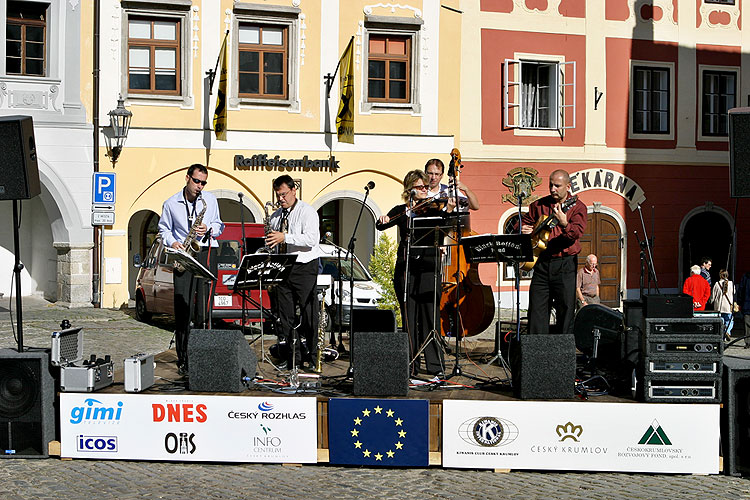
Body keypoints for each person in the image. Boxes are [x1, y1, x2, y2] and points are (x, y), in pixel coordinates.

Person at [376, 170, 455, 377]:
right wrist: (383, 218)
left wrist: (448, 211)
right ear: (409, 190)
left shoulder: (431, 209)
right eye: (420, 187)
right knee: (409, 318)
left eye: (426, 187)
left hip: (429, 266)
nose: (425, 190)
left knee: (430, 316)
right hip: (407, 267)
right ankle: (411, 365)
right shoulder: (403, 210)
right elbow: (381, 225)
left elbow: (446, 226)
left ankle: (435, 367)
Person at [158, 164, 224, 375]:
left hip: (205, 251)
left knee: (203, 308)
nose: (200, 186)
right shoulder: (171, 203)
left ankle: (203, 354)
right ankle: (183, 358)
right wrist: (174, 242)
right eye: (197, 181)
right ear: (187, 178)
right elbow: (163, 229)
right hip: (184, 253)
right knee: (183, 307)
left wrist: (210, 228)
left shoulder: (210, 200)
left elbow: (219, 225)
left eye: (203, 182)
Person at [521, 169, 587, 336]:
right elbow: (524, 222)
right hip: (542, 263)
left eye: (557, 186)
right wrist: (523, 229)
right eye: (550, 185)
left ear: (568, 186)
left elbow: (576, 233)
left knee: (565, 310)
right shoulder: (539, 205)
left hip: (565, 264)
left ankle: (562, 354)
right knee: (537, 309)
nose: (552, 189)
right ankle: (537, 354)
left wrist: (565, 223)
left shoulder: (577, 207)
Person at [266, 175, 321, 371]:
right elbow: (274, 242)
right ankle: (293, 358)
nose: (281, 199)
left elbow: (312, 239)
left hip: (305, 267)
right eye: (278, 195)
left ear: (293, 190)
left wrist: (285, 237)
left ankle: (314, 357)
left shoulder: (307, 212)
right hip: (283, 268)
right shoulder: (275, 217)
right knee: (285, 316)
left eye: (284, 194)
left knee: (309, 314)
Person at [710, 269, 734, 340]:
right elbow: (734, 292)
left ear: (720, 275)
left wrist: (711, 301)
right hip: (728, 306)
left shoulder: (717, 284)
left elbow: (713, 296)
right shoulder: (731, 283)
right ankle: (728, 332)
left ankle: (722, 334)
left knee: (721, 320)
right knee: (729, 320)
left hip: (719, 306)